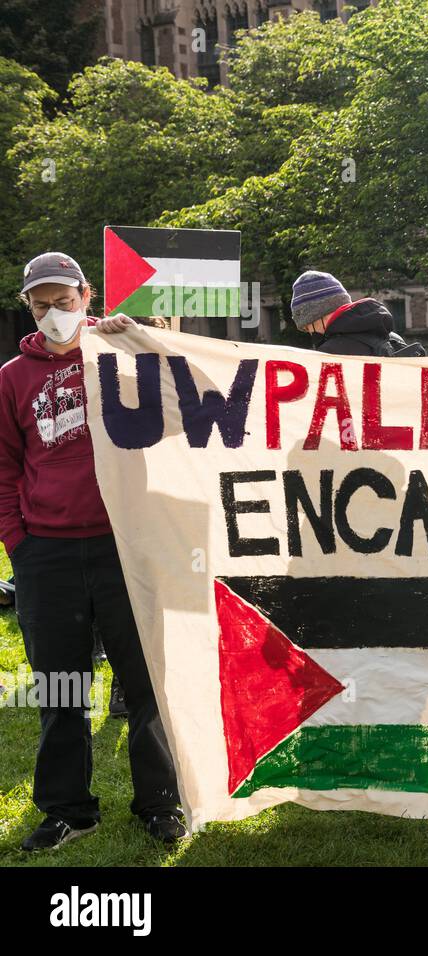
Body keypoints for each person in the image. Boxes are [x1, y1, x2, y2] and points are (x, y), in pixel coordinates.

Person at [1, 252, 185, 850]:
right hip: (46, 553)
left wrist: (138, 336)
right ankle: (67, 809)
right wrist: (18, 543)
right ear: (28, 307)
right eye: (40, 304)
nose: (53, 313)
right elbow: (4, 468)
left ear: (87, 294)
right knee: (60, 688)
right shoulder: (12, 378)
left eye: (63, 300)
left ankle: (159, 803)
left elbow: (190, 401)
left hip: (124, 546)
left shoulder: (119, 354)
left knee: (145, 684)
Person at [290, 271, 425, 357]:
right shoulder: (393, 338)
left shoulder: (331, 353)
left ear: (317, 316)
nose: (309, 332)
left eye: (307, 327)